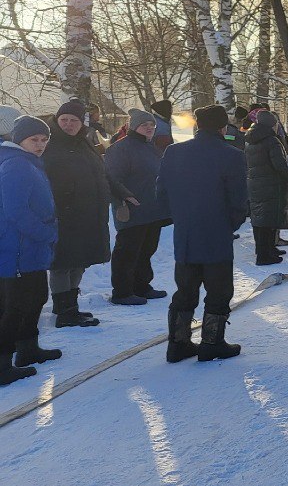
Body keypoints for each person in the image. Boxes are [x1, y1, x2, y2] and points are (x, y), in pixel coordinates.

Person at [157, 105, 248, 362]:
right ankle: (212, 342)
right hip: (217, 233)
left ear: (197, 125)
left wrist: (182, 218)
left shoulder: (174, 152)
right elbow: (239, 200)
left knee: (185, 289)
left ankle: (178, 343)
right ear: (223, 127)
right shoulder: (231, 155)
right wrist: (230, 224)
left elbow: (161, 193)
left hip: (185, 233)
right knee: (219, 290)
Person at [44, 100, 134, 324]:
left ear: (80, 122)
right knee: (62, 263)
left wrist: (122, 192)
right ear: (57, 120)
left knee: (80, 260)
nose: (68, 124)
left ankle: (70, 307)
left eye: (73, 120)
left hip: (88, 214)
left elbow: (103, 172)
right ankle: (64, 312)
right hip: (62, 215)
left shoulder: (83, 142)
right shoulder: (49, 145)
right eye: (63, 120)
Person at [0, 116, 61, 384]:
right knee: (15, 307)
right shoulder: (16, 165)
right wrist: (46, 232)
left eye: (44, 139)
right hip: (18, 250)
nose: (40, 144)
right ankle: (3, 364)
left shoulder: (29, 162)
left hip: (30, 249)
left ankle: (27, 349)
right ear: (19, 140)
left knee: (36, 297)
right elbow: (15, 211)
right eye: (34, 139)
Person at [104, 109, 171, 303]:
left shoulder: (150, 146)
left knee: (146, 250)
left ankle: (141, 286)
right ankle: (122, 292)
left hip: (152, 209)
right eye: (144, 125)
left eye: (152, 125)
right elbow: (112, 178)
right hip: (131, 209)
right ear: (133, 127)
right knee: (127, 252)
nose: (149, 128)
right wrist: (124, 198)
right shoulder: (120, 149)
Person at [245, 110, 288, 266]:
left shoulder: (251, 139)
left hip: (255, 183)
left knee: (259, 218)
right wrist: (287, 176)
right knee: (269, 219)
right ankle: (265, 255)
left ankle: (265, 250)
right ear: (272, 124)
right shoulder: (271, 141)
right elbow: (279, 165)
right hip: (271, 184)